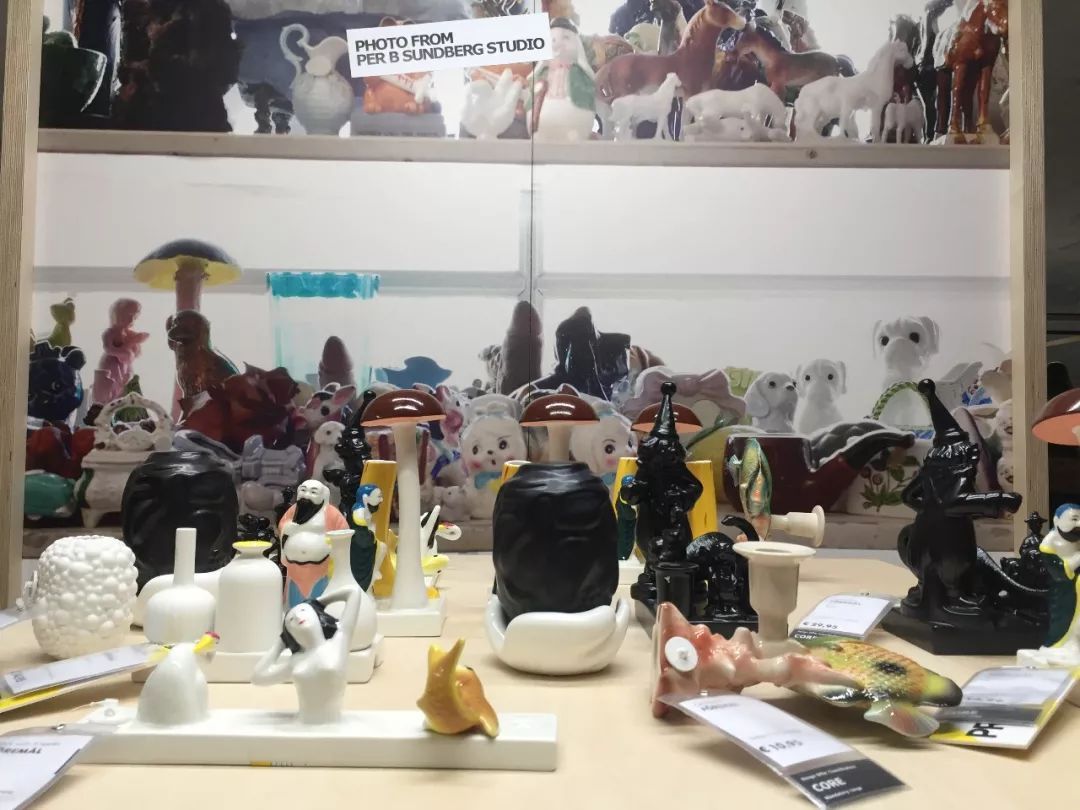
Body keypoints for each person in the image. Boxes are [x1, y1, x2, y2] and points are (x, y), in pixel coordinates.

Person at [252, 586, 361, 724]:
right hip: (302, 725)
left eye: (303, 611)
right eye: (291, 620)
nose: (298, 617)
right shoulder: (296, 661)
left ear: (317, 615)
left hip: (332, 727)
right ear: (290, 634)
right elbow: (258, 677)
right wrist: (280, 643)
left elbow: (353, 592)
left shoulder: (339, 640)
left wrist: (316, 602)